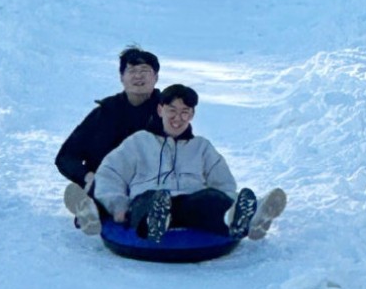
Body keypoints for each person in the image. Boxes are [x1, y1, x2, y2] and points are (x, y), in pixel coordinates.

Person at [77, 83, 286, 243]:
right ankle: (156, 221)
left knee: (209, 198)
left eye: (185, 112)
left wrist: (228, 201)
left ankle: (242, 218)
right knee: (153, 199)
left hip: (189, 203)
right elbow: (110, 173)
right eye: (172, 110)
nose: (178, 118)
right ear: (160, 110)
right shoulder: (139, 141)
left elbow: (224, 184)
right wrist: (117, 205)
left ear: (192, 114)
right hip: (149, 198)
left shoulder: (202, 147)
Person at [56, 46, 161, 213]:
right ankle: (91, 206)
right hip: (107, 183)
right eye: (132, 70)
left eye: (145, 70)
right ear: (121, 77)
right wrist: (87, 176)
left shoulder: (168, 113)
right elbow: (66, 156)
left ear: (155, 77)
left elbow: (187, 150)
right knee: (105, 193)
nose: (138, 76)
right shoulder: (104, 113)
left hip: (152, 184)